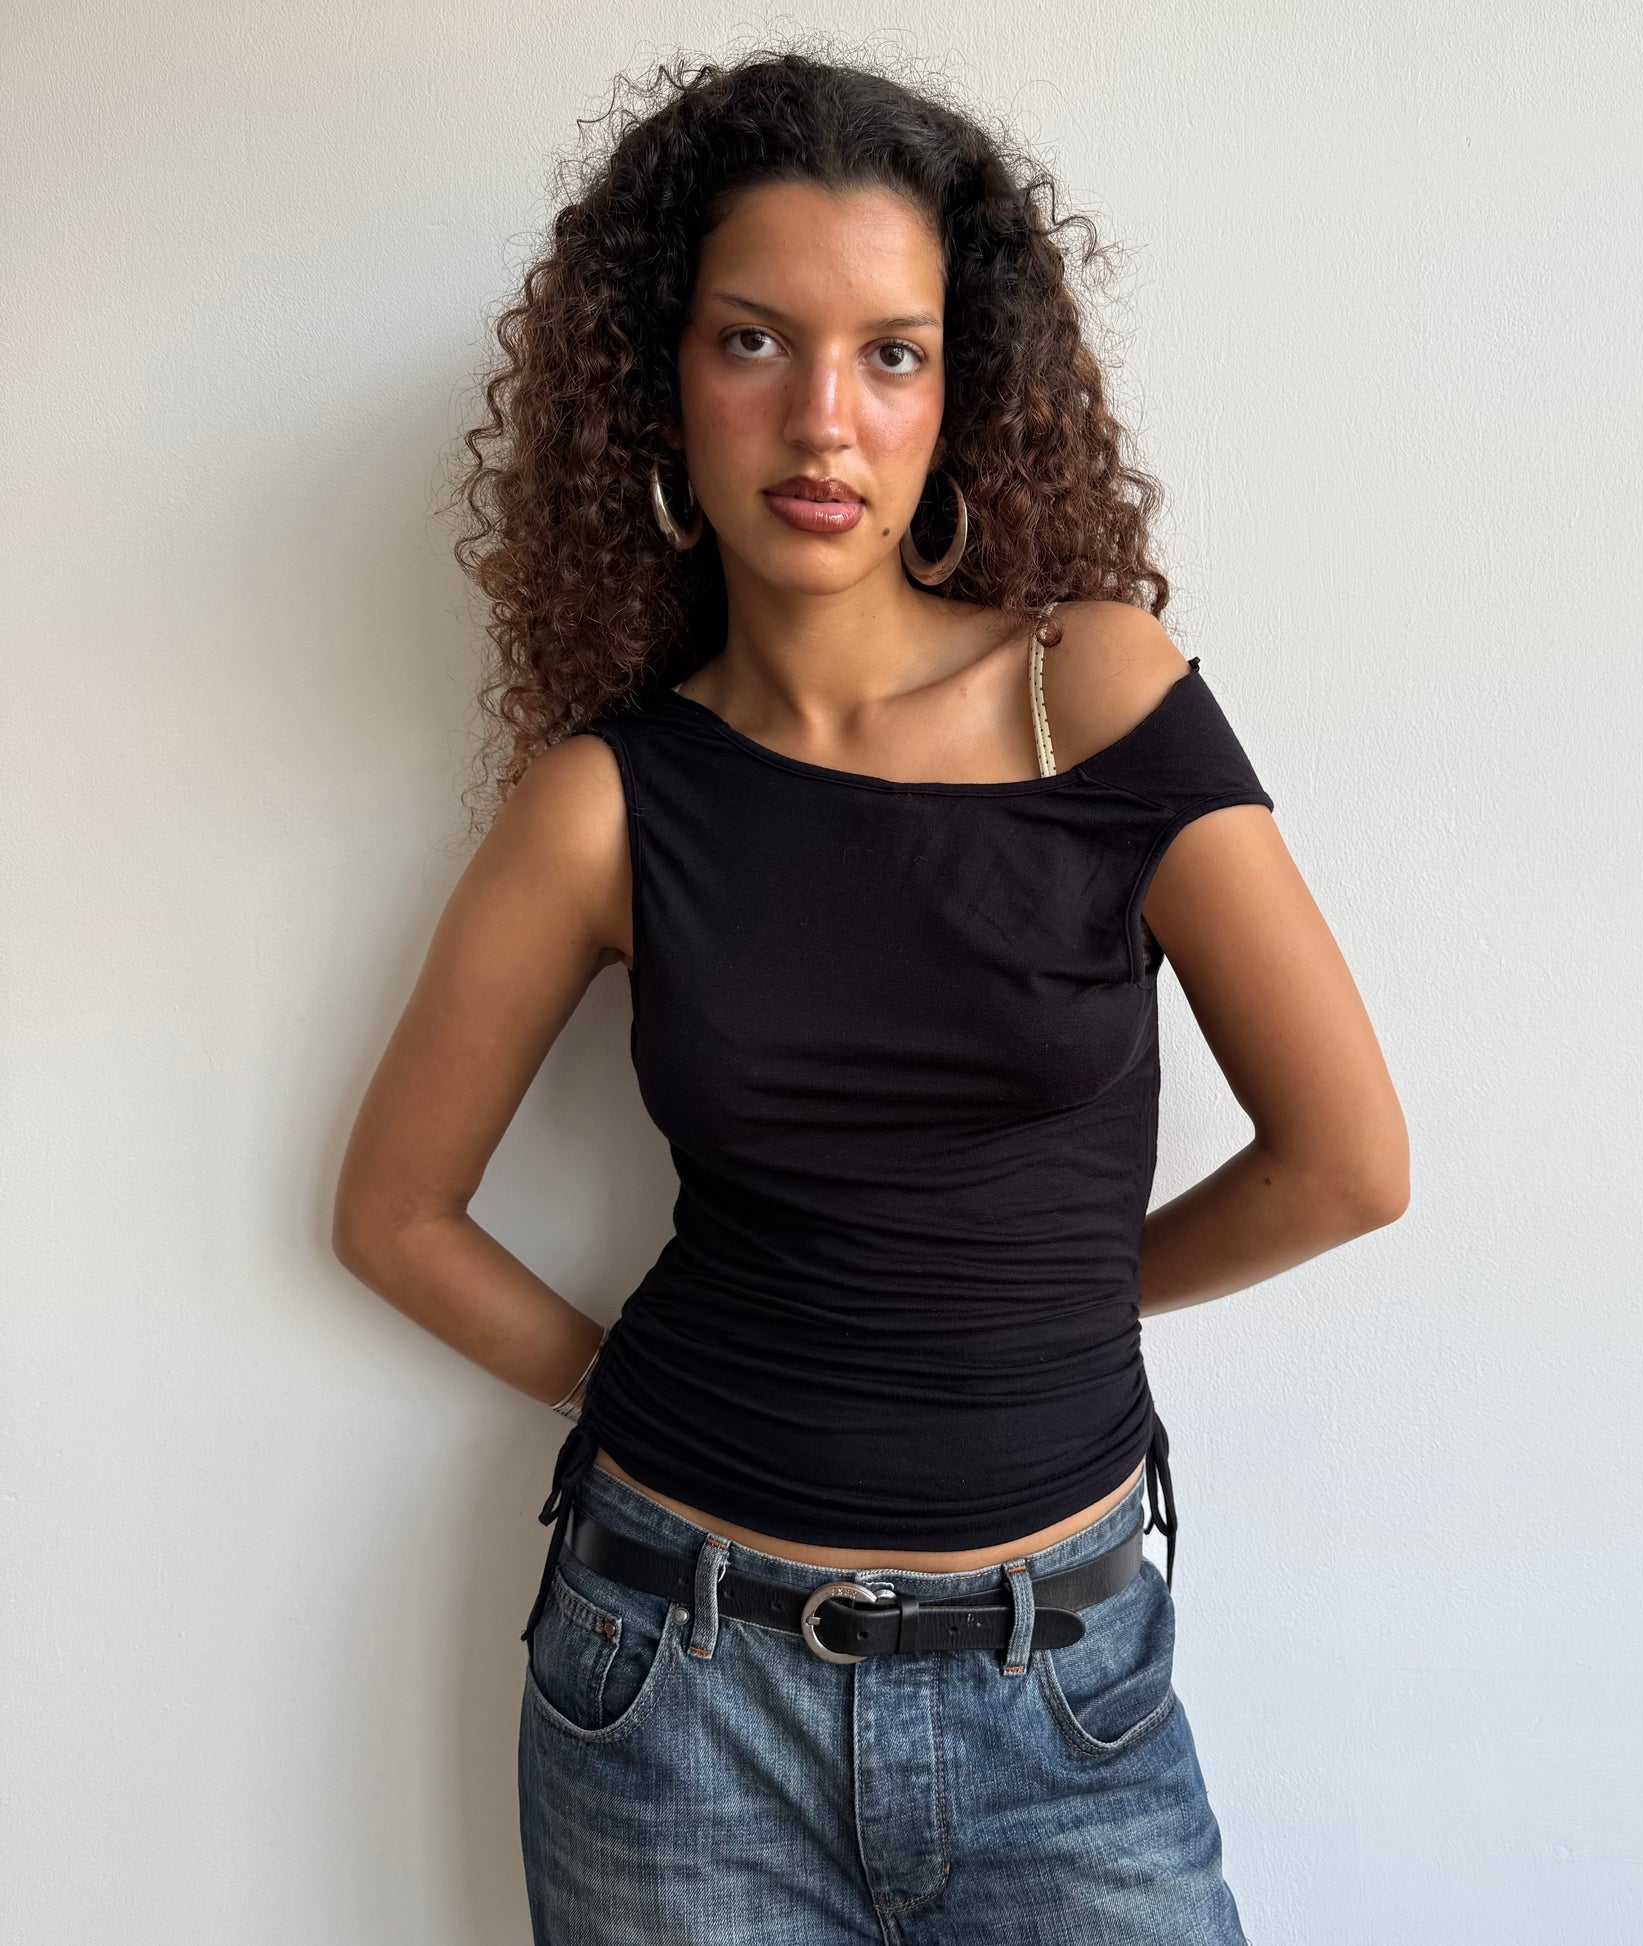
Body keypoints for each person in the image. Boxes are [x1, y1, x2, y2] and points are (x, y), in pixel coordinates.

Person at [333, 48, 1408, 1946]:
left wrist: (1043, 1305)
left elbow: (1346, 1163)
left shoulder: (1095, 690)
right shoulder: (604, 805)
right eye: (754, 340)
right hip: (672, 1681)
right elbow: (396, 1215)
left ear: (955, 391)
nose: (822, 419)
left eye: (890, 354)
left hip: (1063, 1686)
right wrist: (635, 1382)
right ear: (659, 380)